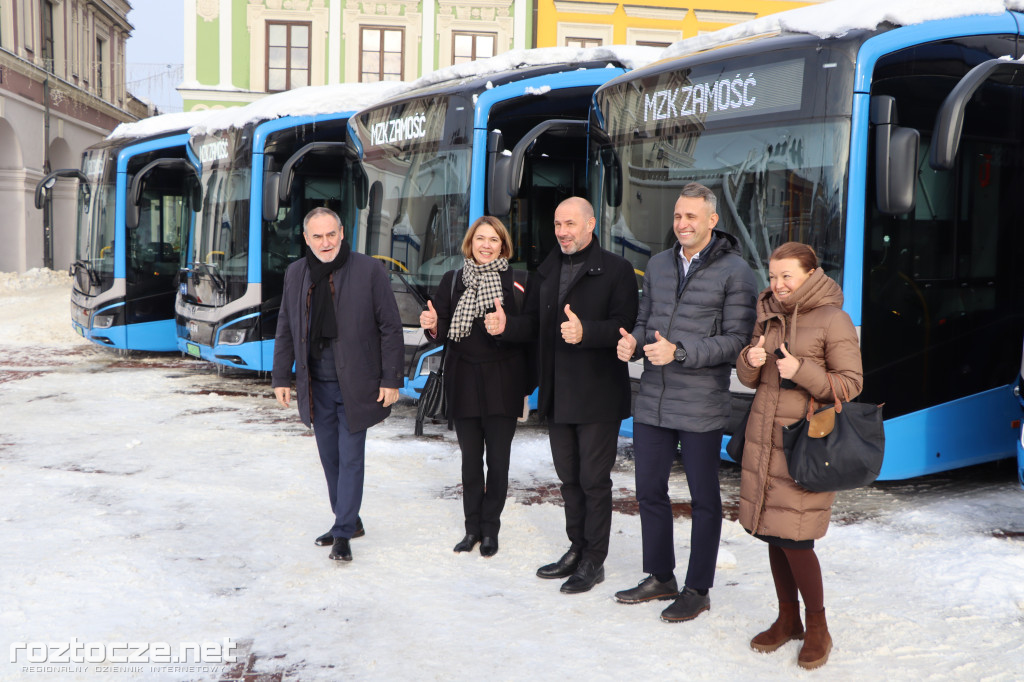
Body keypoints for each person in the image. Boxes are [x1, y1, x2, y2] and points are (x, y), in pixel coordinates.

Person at [614, 182, 757, 622]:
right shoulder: (657, 264)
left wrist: (678, 352)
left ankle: (698, 588)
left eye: (691, 217)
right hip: (654, 399)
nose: (682, 224)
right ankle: (661, 576)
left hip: (701, 403)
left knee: (704, 499)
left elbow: (736, 341)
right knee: (649, 491)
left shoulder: (737, 271)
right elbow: (645, 321)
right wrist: (632, 344)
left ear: (712, 221)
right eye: (678, 216)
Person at [487, 196, 638, 593]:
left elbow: (625, 324)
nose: (562, 232)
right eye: (557, 224)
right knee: (568, 478)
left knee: (593, 479)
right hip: (557, 393)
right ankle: (576, 547)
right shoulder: (548, 269)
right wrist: (507, 326)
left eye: (570, 224)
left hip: (598, 395)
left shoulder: (618, 270)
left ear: (590, 225)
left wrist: (587, 332)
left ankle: (594, 560)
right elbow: (535, 325)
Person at [735, 241, 862, 670]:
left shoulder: (833, 319)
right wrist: (749, 360)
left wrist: (801, 372)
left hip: (807, 443)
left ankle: (818, 627)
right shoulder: (768, 312)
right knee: (774, 531)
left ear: (811, 274)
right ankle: (787, 618)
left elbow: (851, 384)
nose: (778, 284)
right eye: (772, 276)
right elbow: (751, 378)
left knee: (798, 539)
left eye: (787, 276)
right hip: (766, 437)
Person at [272, 207, 404, 563]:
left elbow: (391, 326)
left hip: (357, 384)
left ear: (343, 233)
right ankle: (350, 519)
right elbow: (286, 326)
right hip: (316, 385)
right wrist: (282, 376)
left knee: (351, 459)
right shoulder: (296, 273)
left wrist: (392, 378)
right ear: (306, 238)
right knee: (330, 458)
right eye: (318, 236)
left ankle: (343, 532)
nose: (326, 242)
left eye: (331, 234)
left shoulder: (369, 270)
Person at [419, 216, 532, 558]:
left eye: (494, 240)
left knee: (498, 462)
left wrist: (506, 325)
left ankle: (490, 530)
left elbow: (532, 330)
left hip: (503, 382)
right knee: (471, 461)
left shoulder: (519, 281)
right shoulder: (454, 281)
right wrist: (431, 326)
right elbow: (437, 326)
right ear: (471, 243)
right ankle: (471, 530)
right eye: (480, 239)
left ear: (503, 246)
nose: (486, 245)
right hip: (464, 380)